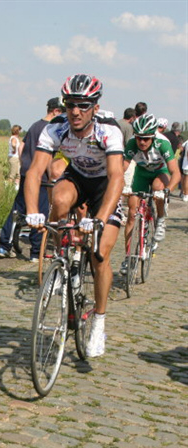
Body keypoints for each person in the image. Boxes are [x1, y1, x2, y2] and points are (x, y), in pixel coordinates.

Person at [25, 74, 125, 358]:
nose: (75, 111)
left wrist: (100, 219)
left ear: (95, 107)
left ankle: (99, 322)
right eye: (70, 104)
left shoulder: (108, 131)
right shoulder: (56, 129)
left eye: (83, 105)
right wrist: (32, 211)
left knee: (100, 256)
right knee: (58, 197)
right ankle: (62, 257)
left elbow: (116, 177)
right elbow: (35, 171)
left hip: (105, 186)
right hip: (78, 178)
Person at [0, 97, 65, 260]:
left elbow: (22, 147)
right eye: (62, 112)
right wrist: (52, 177)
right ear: (56, 111)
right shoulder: (52, 128)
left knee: (17, 210)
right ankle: (36, 252)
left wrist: (24, 164)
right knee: (40, 213)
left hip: (27, 172)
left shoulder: (34, 126)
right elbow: (49, 156)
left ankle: (4, 246)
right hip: (41, 177)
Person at [120, 114, 181, 274]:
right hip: (142, 173)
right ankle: (128, 257)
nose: (142, 142)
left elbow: (176, 173)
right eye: (139, 138)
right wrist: (121, 185)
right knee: (132, 213)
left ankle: (160, 219)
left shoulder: (163, 144)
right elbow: (121, 168)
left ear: (153, 136)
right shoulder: (132, 144)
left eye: (146, 138)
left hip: (161, 171)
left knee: (157, 188)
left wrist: (167, 191)